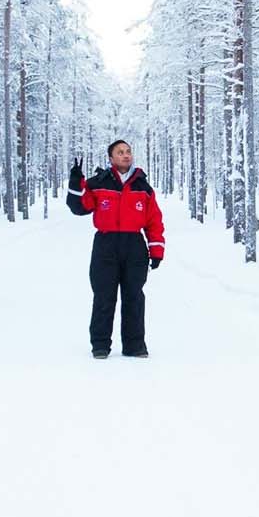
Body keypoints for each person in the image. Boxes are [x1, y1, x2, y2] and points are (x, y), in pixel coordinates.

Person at [66, 139, 165, 359]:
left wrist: (156, 250)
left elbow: (153, 221)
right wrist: (75, 183)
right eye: (120, 152)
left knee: (134, 296)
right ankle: (100, 345)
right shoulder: (99, 183)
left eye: (128, 151)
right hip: (106, 245)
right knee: (104, 295)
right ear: (111, 158)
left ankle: (135, 345)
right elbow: (79, 208)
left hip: (134, 247)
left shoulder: (143, 187)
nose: (126, 155)